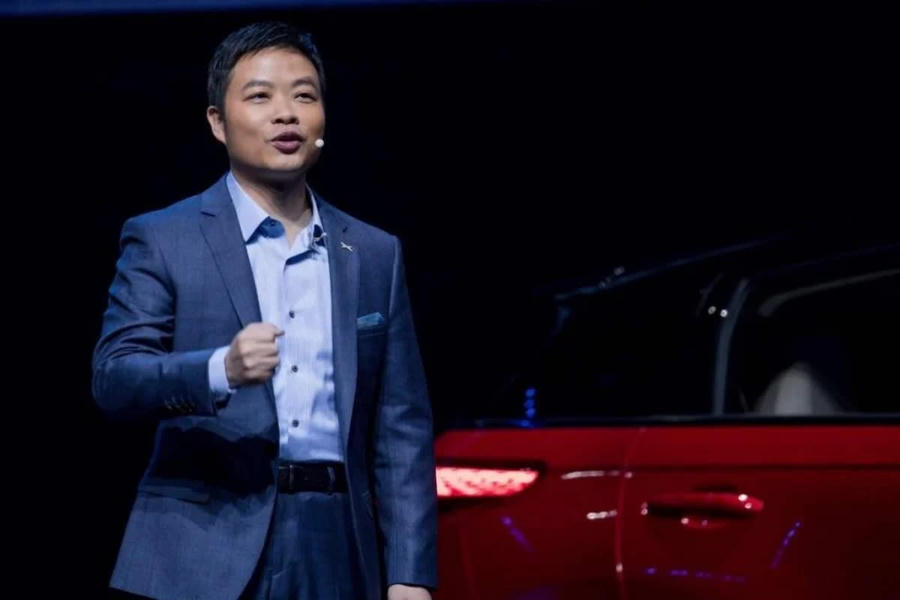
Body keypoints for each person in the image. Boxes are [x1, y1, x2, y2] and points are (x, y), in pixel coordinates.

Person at [92, 21, 437, 600]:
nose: (286, 114)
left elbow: (401, 426)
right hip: (202, 542)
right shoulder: (164, 237)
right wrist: (219, 369)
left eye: (304, 95)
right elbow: (114, 378)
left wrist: (409, 574)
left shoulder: (374, 252)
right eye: (260, 96)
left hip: (336, 542)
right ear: (217, 122)